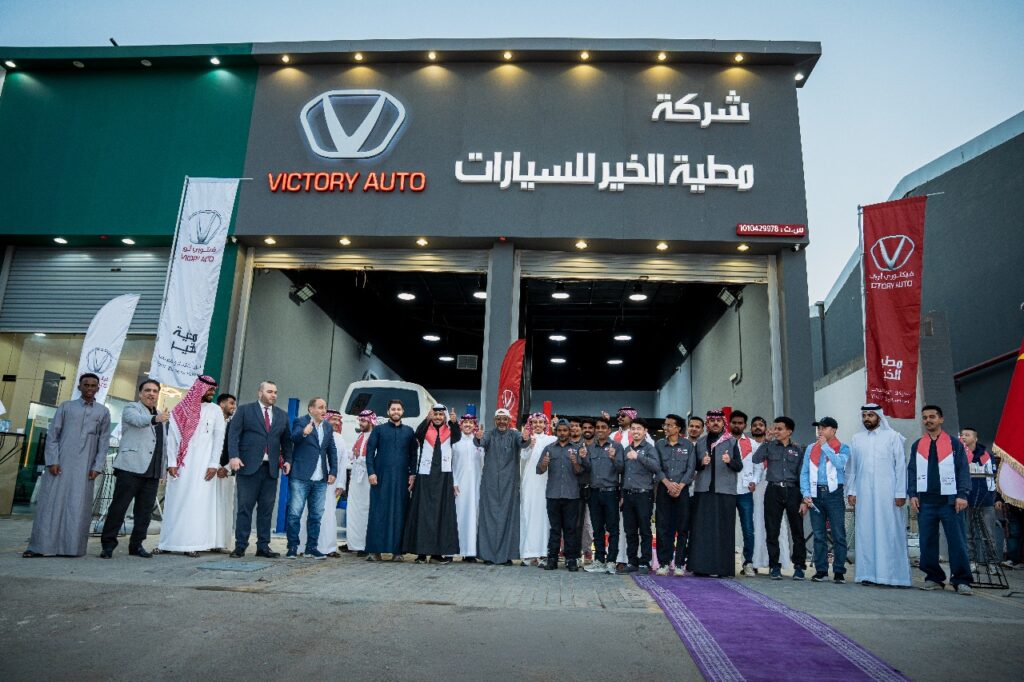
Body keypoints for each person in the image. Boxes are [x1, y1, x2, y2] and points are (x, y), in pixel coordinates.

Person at [24, 374, 111, 558]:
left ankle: (72, 549)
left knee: (77, 506)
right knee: (50, 505)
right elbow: (53, 435)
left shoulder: (103, 412)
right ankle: (39, 547)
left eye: (93, 385)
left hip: (85, 468)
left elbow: (103, 442)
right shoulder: (66, 407)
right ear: (79, 387)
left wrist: (97, 467)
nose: (89, 388)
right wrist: (52, 461)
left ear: (98, 388)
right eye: (86, 385)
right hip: (60, 464)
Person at [100, 379, 169, 559]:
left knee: (144, 513)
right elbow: (137, 421)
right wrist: (156, 419)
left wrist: (162, 470)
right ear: (140, 393)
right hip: (130, 468)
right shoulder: (131, 408)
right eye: (147, 390)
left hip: (152, 472)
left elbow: (162, 444)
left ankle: (136, 545)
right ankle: (108, 545)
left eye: (155, 391)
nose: (151, 393)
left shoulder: (160, 414)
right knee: (119, 508)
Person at [159, 375, 227, 556]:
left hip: (204, 465)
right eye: (209, 389)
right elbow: (172, 439)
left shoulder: (215, 411)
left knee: (197, 503)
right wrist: (172, 463)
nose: (212, 393)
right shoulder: (180, 409)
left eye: (213, 390)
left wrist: (213, 464)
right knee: (176, 502)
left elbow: (218, 439)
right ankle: (168, 543)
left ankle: (192, 543)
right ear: (199, 389)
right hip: (182, 464)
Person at [845, 404, 911, 587]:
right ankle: (868, 574)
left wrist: (900, 493)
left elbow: (900, 466)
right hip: (864, 494)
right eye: (864, 415)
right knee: (865, 532)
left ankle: (893, 576)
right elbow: (852, 468)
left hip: (888, 494)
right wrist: (852, 491)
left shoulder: (893, 437)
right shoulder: (857, 438)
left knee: (889, 532)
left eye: (870, 415)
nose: (867, 418)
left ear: (879, 417)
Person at [226, 380, 293, 559]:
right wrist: (234, 456)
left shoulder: (282, 415)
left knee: (266, 510)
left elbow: (286, 441)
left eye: (275, 392)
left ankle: (263, 547)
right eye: (270, 391)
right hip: (247, 467)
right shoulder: (245, 410)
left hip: (270, 470)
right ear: (260, 392)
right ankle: (240, 546)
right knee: (244, 508)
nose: (273, 395)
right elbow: (233, 435)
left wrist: (288, 460)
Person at [909, 405, 972, 594]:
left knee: (957, 542)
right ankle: (933, 577)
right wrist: (913, 494)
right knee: (927, 542)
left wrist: (962, 494)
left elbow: (963, 469)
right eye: (925, 417)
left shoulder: (954, 444)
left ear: (941, 419)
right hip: (926, 502)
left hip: (950, 502)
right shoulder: (918, 445)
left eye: (932, 417)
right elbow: (912, 471)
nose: (928, 420)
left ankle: (961, 580)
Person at [689, 410, 744, 577]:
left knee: (724, 530)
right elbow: (693, 467)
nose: (715, 423)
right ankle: (701, 567)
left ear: (723, 423)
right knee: (702, 530)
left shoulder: (731, 441)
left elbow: (739, 466)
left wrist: (729, 461)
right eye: (712, 420)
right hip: (703, 491)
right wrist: (701, 462)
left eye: (718, 421)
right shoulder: (700, 442)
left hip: (725, 491)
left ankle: (723, 569)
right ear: (708, 423)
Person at [405, 404, 461, 563]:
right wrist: (426, 419)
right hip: (425, 479)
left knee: (441, 515)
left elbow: (457, 437)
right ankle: (421, 553)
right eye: (435, 414)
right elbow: (417, 434)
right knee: (422, 514)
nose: (437, 417)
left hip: (443, 479)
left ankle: (437, 554)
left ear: (444, 417)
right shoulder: (425, 431)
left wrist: (454, 423)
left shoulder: (449, 431)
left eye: (441, 415)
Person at [753, 416, 808, 580]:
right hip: (773, 490)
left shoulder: (798, 449)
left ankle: (799, 566)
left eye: (779, 429)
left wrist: (804, 498)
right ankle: (774, 566)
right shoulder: (769, 446)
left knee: (797, 530)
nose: (775, 431)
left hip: (793, 491)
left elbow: (802, 474)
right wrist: (766, 441)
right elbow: (756, 459)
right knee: (772, 530)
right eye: (775, 428)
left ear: (789, 431)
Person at [474, 408, 531, 565]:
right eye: (498, 419)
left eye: (504, 419)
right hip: (490, 484)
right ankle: (487, 555)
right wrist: (478, 439)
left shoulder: (514, 435)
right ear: (495, 421)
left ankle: (507, 556)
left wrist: (526, 438)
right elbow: (481, 442)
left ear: (509, 421)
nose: (501, 422)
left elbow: (523, 443)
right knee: (488, 518)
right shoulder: (489, 434)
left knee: (509, 518)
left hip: (509, 485)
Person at [364, 399, 418, 561]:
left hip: (401, 478)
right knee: (378, 512)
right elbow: (369, 452)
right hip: (380, 477)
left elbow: (413, 454)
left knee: (399, 512)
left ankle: (397, 552)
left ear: (403, 412)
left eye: (398, 409)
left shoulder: (409, 431)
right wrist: (371, 472)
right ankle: (375, 551)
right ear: (388, 412)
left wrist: (413, 474)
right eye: (393, 409)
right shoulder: (379, 430)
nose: (396, 412)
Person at [285, 397, 338, 559]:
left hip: (320, 478)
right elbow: (293, 438)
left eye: (325, 407)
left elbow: (332, 450)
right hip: (301, 476)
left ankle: (311, 548)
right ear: (311, 409)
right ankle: (292, 547)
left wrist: (333, 471)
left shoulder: (327, 427)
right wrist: (304, 432)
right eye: (320, 407)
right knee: (295, 514)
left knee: (316, 515)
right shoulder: (300, 421)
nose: (324, 411)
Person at [800, 417, 850, 583]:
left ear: (833, 430)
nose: (820, 431)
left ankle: (839, 571)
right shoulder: (810, 448)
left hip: (834, 494)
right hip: (815, 494)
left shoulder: (843, 448)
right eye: (819, 428)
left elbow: (840, 463)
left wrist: (825, 447)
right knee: (819, 534)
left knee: (838, 533)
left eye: (824, 428)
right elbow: (805, 472)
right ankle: (821, 570)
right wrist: (806, 493)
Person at [537, 418, 590, 570]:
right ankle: (552, 559)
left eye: (565, 430)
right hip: (553, 495)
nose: (562, 433)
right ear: (556, 432)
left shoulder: (577, 448)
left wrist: (575, 462)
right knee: (554, 529)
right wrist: (544, 464)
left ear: (569, 432)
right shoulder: (549, 449)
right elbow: (539, 470)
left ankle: (571, 560)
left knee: (570, 529)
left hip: (571, 495)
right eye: (559, 430)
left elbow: (580, 471)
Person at [654, 413, 696, 577]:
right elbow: (657, 467)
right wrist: (668, 484)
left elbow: (691, 469)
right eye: (665, 425)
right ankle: (664, 563)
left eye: (669, 425)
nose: (666, 428)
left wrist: (680, 486)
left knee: (683, 527)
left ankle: (679, 563)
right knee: (663, 527)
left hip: (682, 490)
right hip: (664, 489)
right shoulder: (659, 445)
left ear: (678, 428)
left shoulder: (688, 445)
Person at [618, 419, 660, 573]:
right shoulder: (626, 449)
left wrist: (638, 457)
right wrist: (622, 495)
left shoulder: (649, 448)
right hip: (628, 495)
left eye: (639, 429)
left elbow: (656, 467)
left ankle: (645, 562)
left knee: (645, 530)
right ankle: (632, 562)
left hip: (644, 494)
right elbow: (623, 474)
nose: (635, 431)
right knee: (630, 530)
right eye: (633, 428)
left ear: (645, 431)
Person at [584, 415, 624, 573]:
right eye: (598, 428)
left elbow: (621, 469)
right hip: (594, 493)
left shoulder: (617, 446)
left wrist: (613, 458)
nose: (600, 430)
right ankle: (599, 559)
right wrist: (582, 458)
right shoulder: (590, 448)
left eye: (603, 428)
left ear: (609, 430)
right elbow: (587, 469)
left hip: (611, 492)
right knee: (597, 528)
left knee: (613, 528)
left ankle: (612, 561)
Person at [750, 416, 789, 572]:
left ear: (766, 428)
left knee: (777, 525)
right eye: (755, 425)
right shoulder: (749, 444)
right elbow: (754, 462)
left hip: (774, 487)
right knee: (757, 523)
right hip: (756, 489)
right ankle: (755, 561)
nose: (758, 427)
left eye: (761, 425)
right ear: (751, 428)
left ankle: (778, 561)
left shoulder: (777, 445)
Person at [961, 427, 1000, 574]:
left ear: (975, 438)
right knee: (968, 534)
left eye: (967, 435)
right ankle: (971, 562)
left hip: (985, 500)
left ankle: (992, 563)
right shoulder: (959, 454)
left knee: (988, 534)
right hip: (966, 500)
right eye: (962, 435)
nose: (963, 437)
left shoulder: (986, 455)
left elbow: (994, 477)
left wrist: (994, 497)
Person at [520, 412, 555, 566]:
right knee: (528, 514)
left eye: (541, 422)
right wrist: (528, 444)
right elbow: (524, 456)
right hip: (529, 483)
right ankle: (528, 553)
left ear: (545, 424)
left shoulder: (551, 439)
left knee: (544, 517)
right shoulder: (527, 439)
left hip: (546, 483)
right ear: (531, 424)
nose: (538, 425)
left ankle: (543, 553)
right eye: (535, 422)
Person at [729, 411, 760, 577]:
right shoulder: (723, 442)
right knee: (726, 528)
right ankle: (725, 562)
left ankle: (748, 562)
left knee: (748, 529)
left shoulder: (752, 444)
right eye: (734, 422)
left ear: (745, 425)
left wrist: (754, 481)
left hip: (745, 492)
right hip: (726, 491)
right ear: (729, 423)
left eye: (740, 423)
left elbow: (759, 466)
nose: (737, 425)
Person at [452, 413, 485, 561]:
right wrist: (453, 482)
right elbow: (450, 464)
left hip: (475, 486)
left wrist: (480, 441)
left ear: (474, 426)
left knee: (473, 517)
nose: (468, 425)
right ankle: (454, 550)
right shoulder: (455, 442)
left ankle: (470, 552)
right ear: (461, 425)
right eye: (465, 422)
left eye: (471, 423)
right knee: (458, 516)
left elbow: (483, 463)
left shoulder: (479, 443)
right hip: (458, 486)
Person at [346, 410, 376, 556]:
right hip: (356, 478)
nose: (361, 424)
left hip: (368, 478)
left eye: (363, 421)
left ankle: (365, 544)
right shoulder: (360, 436)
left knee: (366, 509)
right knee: (354, 510)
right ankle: (353, 543)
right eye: (360, 421)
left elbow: (375, 457)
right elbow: (353, 455)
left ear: (371, 422)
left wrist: (360, 458)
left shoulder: (376, 437)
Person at [213, 393, 237, 551]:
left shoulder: (235, 424)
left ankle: (220, 543)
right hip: (210, 471)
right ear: (221, 404)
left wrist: (227, 468)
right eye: (231, 403)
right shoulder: (211, 421)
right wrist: (214, 466)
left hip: (227, 471)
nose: (234, 406)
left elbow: (238, 447)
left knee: (225, 508)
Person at [570, 417, 595, 566]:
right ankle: (572, 551)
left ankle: (587, 550)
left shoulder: (587, 445)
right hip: (571, 488)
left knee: (587, 523)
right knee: (572, 522)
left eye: (576, 426)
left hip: (587, 487)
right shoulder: (567, 444)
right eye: (572, 426)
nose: (574, 428)